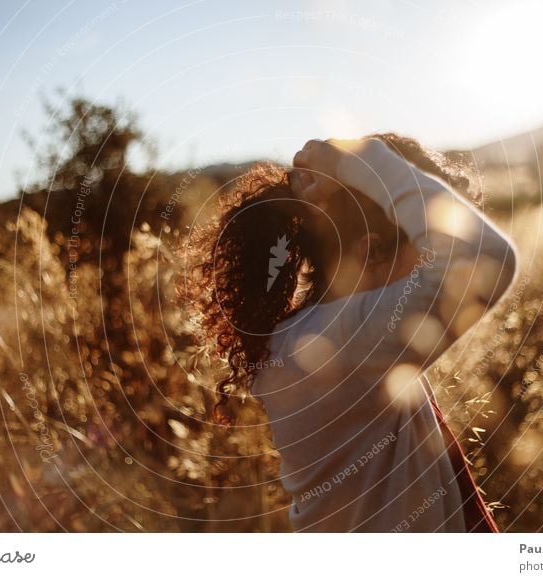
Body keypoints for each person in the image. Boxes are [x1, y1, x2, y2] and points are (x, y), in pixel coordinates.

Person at [184, 134, 518, 532]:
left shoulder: (307, 336)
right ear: (372, 251)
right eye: (428, 251)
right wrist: (363, 163)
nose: (433, 264)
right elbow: (487, 261)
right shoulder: (344, 340)